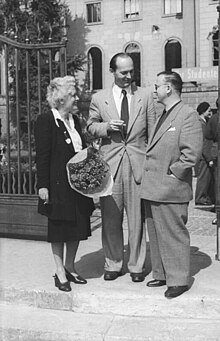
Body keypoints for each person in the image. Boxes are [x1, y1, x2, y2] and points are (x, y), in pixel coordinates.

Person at [87, 52, 156, 282]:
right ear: (112, 71)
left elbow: (153, 132)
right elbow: (90, 127)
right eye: (123, 72)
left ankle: (136, 266)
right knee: (110, 219)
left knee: (137, 219)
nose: (128, 76)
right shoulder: (99, 98)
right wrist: (107, 127)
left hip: (138, 164)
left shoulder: (145, 96)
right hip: (111, 166)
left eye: (131, 72)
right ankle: (113, 263)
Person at [141, 71, 203, 298]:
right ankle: (162, 274)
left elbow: (191, 154)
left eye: (157, 85)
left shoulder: (187, 115)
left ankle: (178, 280)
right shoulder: (163, 114)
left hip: (170, 188)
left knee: (173, 234)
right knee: (156, 234)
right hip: (153, 187)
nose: (154, 89)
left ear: (168, 88)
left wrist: (173, 173)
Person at [34, 76, 94, 292]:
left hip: (77, 185)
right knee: (59, 228)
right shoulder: (46, 120)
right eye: (72, 95)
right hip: (57, 185)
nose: (76, 98)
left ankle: (70, 266)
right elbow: (42, 156)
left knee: (77, 226)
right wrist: (43, 186)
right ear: (60, 99)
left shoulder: (75, 120)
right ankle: (59, 270)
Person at [195, 102, 214, 206]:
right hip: (203, 156)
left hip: (203, 155)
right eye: (209, 110)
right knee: (203, 178)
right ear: (203, 111)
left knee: (205, 178)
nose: (210, 112)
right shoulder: (201, 124)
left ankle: (203, 197)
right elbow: (203, 142)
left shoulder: (203, 123)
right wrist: (208, 157)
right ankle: (200, 198)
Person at [204, 98, 219, 224]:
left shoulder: (214, 119)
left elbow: (207, 137)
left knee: (217, 186)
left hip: (216, 156)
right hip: (216, 155)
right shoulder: (215, 119)